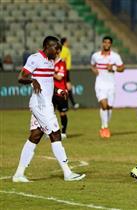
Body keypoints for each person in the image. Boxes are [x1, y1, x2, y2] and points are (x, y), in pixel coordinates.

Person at [12, 36, 85, 182]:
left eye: (59, 49)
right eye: (56, 49)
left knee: (35, 136)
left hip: (46, 103)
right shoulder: (35, 58)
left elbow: (48, 83)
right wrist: (32, 80)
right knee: (55, 135)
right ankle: (67, 173)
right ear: (47, 46)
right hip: (40, 105)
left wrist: (58, 92)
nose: (58, 52)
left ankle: (18, 174)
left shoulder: (51, 62)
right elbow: (21, 77)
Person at [91, 36, 125, 138]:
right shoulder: (96, 56)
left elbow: (122, 68)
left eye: (108, 43)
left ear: (111, 44)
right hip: (100, 84)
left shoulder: (115, 56)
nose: (106, 44)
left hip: (111, 85)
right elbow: (92, 65)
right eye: (105, 42)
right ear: (102, 43)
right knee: (104, 105)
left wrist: (113, 67)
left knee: (109, 107)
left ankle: (104, 127)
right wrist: (94, 70)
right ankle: (105, 127)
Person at [53, 45, 69, 139]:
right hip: (51, 91)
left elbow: (59, 77)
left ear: (59, 51)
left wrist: (50, 72)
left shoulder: (62, 63)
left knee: (62, 113)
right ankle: (52, 131)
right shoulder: (49, 62)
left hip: (61, 92)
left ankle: (63, 132)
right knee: (50, 113)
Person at [60, 37, 79, 109]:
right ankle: (72, 104)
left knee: (64, 87)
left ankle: (67, 104)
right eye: (67, 42)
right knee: (68, 87)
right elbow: (62, 60)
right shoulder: (65, 50)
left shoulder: (59, 49)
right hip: (65, 70)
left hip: (61, 70)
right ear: (64, 42)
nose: (68, 43)